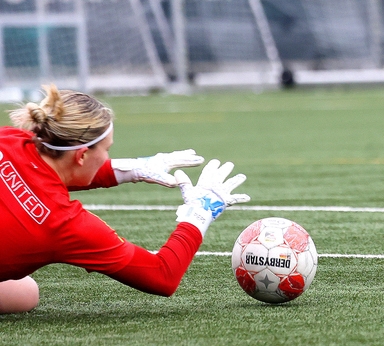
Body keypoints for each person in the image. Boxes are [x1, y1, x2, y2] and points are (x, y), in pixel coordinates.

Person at [0, 84, 249, 313]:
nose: (108, 156)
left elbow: (38, 178)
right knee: (24, 291)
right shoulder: (62, 223)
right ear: (82, 155)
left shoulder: (10, 138)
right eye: (106, 149)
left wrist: (135, 169)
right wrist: (200, 213)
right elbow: (162, 276)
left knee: (24, 294)